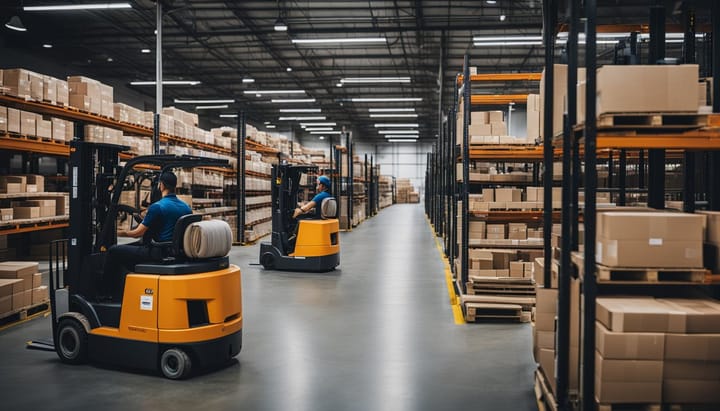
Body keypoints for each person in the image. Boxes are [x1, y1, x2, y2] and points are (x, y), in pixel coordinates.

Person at [104, 171, 191, 298]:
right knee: (132, 246)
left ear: (161, 185)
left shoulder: (157, 207)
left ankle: (107, 294)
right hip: (173, 251)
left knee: (113, 251)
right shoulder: (186, 207)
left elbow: (137, 233)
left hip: (158, 252)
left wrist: (118, 232)